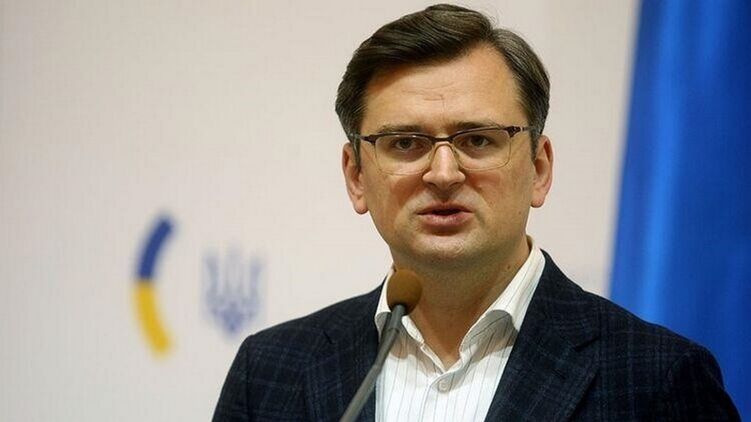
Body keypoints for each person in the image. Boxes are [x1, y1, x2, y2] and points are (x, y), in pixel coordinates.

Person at [213, 4, 739, 421]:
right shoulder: (271, 373)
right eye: (405, 143)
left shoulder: (657, 380)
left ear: (539, 168)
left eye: (478, 139)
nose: (443, 173)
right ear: (356, 177)